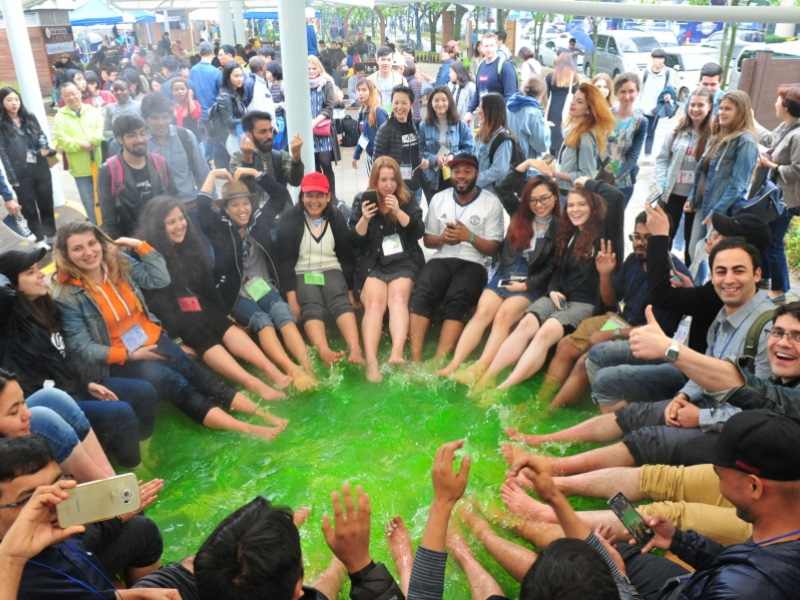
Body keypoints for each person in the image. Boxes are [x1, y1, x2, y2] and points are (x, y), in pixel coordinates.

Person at [503, 237, 775, 474]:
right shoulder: (723, 313)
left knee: (646, 436)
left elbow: (763, 410)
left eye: (738, 270)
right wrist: (683, 396)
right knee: (630, 411)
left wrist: (701, 417)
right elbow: (706, 371)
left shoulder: (770, 328)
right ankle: (540, 438)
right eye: (721, 271)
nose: (729, 279)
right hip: (700, 394)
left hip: (732, 426)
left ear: (757, 274)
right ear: (712, 276)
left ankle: (553, 466)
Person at [53, 220, 285, 439]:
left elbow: (159, 279)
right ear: (66, 255)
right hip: (121, 359)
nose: (88, 252)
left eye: (92, 243)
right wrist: (130, 355)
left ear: (101, 242)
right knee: (177, 385)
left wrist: (139, 245)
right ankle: (247, 428)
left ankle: (263, 414)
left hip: (152, 338)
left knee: (198, 374)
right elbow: (82, 347)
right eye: (78, 248)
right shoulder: (67, 295)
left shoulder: (116, 261)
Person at [0, 248, 157, 469]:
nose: (41, 275)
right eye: (30, 272)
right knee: (121, 414)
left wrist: (88, 382)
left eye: (38, 269)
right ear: (13, 285)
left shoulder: (46, 307)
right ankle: (134, 471)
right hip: (51, 403)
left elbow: (68, 355)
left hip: (76, 385)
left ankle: (143, 451)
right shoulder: (10, 322)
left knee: (145, 392)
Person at [137, 195, 302, 399]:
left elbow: (205, 284)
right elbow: (154, 305)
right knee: (198, 331)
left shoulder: (188, 244)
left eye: (181, 218)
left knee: (220, 322)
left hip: (190, 303)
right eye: (171, 222)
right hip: (170, 317)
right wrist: (175, 341)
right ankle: (254, 384)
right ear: (157, 227)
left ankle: (273, 371)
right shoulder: (146, 254)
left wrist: (226, 314)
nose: (179, 226)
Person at [534, 211, 691, 408]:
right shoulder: (634, 260)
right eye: (636, 236)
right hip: (619, 320)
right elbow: (610, 300)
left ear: (664, 240)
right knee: (566, 345)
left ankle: (549, 411)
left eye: (647, 238)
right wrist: (605, 274)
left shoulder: (676, 275)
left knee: (585, 361)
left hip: (647, 338)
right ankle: (540, 401)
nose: (639, 243)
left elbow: (657, 331)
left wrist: (611, 334)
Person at [0, 436, 172, 599]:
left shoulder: (52, 533)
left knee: (141, 528)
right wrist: (11, 559)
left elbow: (77, 540)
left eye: (59, 484)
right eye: (31, 500)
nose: (57, 503)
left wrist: (132, 595)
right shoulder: (22, 583)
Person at [473, 187, 606, 392]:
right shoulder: (568, 233)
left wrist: (584, 181)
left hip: (584, 302)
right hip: (558, 295)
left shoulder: (604, 237)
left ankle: (502, 389)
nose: (575, 209)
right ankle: (488, 377)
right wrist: (553, 290)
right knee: (526, 323)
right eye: (571, 205)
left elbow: (615, 197)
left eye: (582, 204)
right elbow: (556, 270)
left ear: (594, 207)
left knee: (546, 332)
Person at [195, 171, 316, 386]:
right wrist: (212, 174)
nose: (242, 209)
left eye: (246, 203)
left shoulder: (259, 220)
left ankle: (309, 368)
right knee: (263, 321)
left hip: (262, 284)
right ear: (225, 208)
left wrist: (255, 173)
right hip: (235, 292)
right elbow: (202, 208)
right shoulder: (219, 228)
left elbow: (279, 195)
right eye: (234, 205)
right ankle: (292, 370)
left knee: (283, 312)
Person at [438, 175, 560, 380]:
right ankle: (454, 363)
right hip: (508, 271)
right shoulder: (519, 214)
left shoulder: (561, 228)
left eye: (544, 199)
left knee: (504, 315)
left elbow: (552, 268)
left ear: (555, 197)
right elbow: (503, 186)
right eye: (533, 200)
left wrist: (526, 285)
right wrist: (527, 162)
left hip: (532, 278)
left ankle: (481, 366)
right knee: (483, 312)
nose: (538, 205)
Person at [408, 154, 504, 362]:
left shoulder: (491, 203)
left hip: (474, 263)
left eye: (467, 172)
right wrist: (442, 239)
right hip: (442, 257)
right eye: (457, 171)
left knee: (458, 296)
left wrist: (469, 237)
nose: (461, 176)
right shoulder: (439, 199)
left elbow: (494, 248)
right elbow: (428, 240)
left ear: (477, 174)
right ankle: (414, 359)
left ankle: (438, 361)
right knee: (423, 290)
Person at [274, 172, 364, 366]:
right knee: (310, 302)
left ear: (328, 197)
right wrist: (291, 298)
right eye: (309, 195)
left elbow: (346, 257)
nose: (314, 201)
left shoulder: (336, 218)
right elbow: (285, 262)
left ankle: (355, 347)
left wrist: (350, 289)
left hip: (331, 267)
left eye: (319, 195)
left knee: (339, 298)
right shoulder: (289, 219)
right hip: (302, 272)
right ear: (302, 196)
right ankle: (323, 349)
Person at [348, 157, 425, 382]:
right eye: (383, 180)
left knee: (398, 299)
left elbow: (418, 232)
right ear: (375, 180)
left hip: (404, 260)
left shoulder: (407, 199)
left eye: (393, 179)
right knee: (374, 303)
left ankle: (397, 352)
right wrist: (364, 219)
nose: (388, 185)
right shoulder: (362, 200)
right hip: (372, 261)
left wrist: (399, 212)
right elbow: (354, 241)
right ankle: (371, 361)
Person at [687, 91, 758, 268]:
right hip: (703, 205)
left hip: (722, 212)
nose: (721, 112)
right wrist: (691, 197)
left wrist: (716, 212)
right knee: (695, 253)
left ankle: (705, 286)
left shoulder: (745, 141)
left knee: (711, 259)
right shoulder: (721, 134)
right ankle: (697, 285)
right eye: (721, 108)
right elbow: (704, 172)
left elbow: (738, 184)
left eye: (728, 109)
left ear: (741, 112)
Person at [656, 87, 715, 266]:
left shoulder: (715, 136)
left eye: (700, 105)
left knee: (692, 243)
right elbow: (662, 159)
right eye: (692, 104)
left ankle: (690, 277)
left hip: (697, 200)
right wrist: (662, 182)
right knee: (664, 238)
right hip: (671, 194)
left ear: (710, 107)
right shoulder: (677, 131)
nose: (695, 109)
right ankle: (662, 273)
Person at [754, 84, 800, 304]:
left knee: (774, 242)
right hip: (775, 196)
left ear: (788, 106)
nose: (775, 103)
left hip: (786, 199)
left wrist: (771, 165)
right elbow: (769, 140)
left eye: (779, 99)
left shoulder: (798, 135)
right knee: (766, 237)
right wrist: (750, 120)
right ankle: (764, 277)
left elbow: (797, 171)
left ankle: (780, 290)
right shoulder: (786, 127)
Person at [98, 114, 178, 238]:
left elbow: (174, 198)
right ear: (120, 139)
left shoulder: (160, 163)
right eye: (132, 135)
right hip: (131, 241)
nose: (140, 139)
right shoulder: (108, 170)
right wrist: (121, 245)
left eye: (143, 133)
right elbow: (109, 218)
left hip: (163, 236)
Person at [534, 83, 616, 196]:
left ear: (589, 110)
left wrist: (553, 173)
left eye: (579, 102)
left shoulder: (585, 136)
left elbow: (586, 175)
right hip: (565, 190)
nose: (572, 103)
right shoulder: (574, 130)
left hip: (572, 193)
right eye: (574, 98)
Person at [0, 87, 57, 249]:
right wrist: (12, 178)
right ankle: (38, 239)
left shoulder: (29, 117)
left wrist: (44, 146)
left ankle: (50, 234)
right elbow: (3, 154)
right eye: (9, 100)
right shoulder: (2, 125)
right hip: (21, 173)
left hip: (40, 166)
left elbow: (41, 134)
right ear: (2, 103)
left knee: (46, 202)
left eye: (16, 99)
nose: (14, 103)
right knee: (29, 208)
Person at [229, 110, 304, 220]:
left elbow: (296, 181)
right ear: (249, 135)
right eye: (262, 132)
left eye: (270, 130)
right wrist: (247, 159)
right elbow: (243, 190)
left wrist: (296, 158)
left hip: (283, 218)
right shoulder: (238, 157)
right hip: (255, 220)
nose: (269, 136)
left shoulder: (281, 156)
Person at [141, 93, 208, 207]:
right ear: (146, 119)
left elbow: (203, 173)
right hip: (155, 210)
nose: (161, 123)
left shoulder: (186, 136)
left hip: (189, 206)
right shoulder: (140, 143)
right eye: (155, 118)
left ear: (171, 116)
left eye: (165, 117)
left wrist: (213, 201)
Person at [53, 82, 104, 224]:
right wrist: (81, 144)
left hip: (99, 165)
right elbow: (62, 141)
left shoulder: (92, 111)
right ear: (63, 98)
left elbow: (100, 132)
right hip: (80, 169)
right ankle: (97, 230)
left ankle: (110, 229)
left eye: (73, 93)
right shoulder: (60, 117)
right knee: (89, 202)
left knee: (105, 199)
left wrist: (90, 141)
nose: (71, 97)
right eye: (67, 95)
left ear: (80, 93)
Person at [373, 85, 429, 199]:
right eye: (396, 102)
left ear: (411, 104)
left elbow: (421, 149)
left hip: (416, 185)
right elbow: (377, 162)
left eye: (404, 103)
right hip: (395, 187)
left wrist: (423, 159)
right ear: (391, 104)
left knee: (414, 211)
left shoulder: (416, 125)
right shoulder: (385, 130)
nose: (399, 107)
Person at [418, 85, 473, 195]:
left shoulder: (459, 124)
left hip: (455, 174)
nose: (440, 104)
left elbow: (469, 147)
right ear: (431, 102)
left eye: (444, 100)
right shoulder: (424, 125)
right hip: (432, 176)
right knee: (435, 205)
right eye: (436, 100)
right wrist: (434, 159)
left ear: (450, 102)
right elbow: (419, 149)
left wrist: (453, 156)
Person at [605, 72, 648, 207]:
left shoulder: (641, 121)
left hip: (624, 183)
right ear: (616, 93)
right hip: (601, 178)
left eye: (631, 91)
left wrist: (614, 176)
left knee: (616, 217)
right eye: (623, 91)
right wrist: (605, 176)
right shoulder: (606, 115)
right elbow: (597, 146)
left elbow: (633, 157)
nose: (627, 96)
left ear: (637, 92)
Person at [464, 32, 518, 125]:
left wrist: (495, 115)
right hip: (484, 119)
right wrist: (469, 111)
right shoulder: (481, 66)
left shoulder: (505, 67)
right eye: (486, 46)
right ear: (481, 47)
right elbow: (478, 91)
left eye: (492, 45)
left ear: (497, 46)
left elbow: (510, 96)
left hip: (500, 121)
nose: (489, 49)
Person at [307, 55, 341, 201]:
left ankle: (332, 197)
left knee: (325, 163)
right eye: (308, 69)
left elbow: (329, 107)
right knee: (313, 167)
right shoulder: (301, 85)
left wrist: (315, 121)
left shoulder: (326, 83)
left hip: (324, 130)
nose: (311, 71)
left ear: (319, 68)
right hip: (308, 133)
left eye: (314, 68)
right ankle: (318, 195)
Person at [189, 41, 222, 163]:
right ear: (213, 52)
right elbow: (221, 93)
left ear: (199, 53)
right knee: (215, 138)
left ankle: (206, 161)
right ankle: (206, 161)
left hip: (198, 110)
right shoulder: (216, 72)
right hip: (213, 110)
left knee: (210, 136)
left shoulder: (193, 70)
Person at [638, 48, 675, 157]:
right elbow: (638, 91)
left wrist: (668, 95)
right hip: (642, 109)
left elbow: (670, 88)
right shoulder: (644, 73)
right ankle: (635, 155)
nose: (660, 61)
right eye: (658, 58)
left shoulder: (667, 73)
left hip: (656, 109)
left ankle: (647, 156)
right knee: (638, 133)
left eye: (662, 59)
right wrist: (636, 107)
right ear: (652, 59)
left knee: (651, 133)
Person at [506, 74, 550, 160]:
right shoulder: (534, 113)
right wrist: (546, 128)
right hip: (525, 161)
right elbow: (541, 146)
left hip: (507, 156)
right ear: (542, 93)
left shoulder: (509, 105)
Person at [351, 79, 388, 176]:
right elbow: (363, 136)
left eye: (364, 90)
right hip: (369, 156)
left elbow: (386, 138)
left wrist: (381, 160)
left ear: (371, 92)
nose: (360, 93)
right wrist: (356, 155)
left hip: (381, 158)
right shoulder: (361, 111)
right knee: (372, 184)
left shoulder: (378, 111)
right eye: (358, 90)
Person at [545, 52, 579, 155]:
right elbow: (577, 95)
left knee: (552, 133)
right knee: (565, 132)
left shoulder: (551, 76)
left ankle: (552, 157)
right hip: (568, 109)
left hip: (553, 108)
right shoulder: (574, 76)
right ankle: (562, 156)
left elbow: (545, 95)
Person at [216, 61, 247, 159]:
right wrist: (249, 119)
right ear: (228, 77)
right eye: (236, 76)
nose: (240, 79)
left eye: (241, 75)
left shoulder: (235, 92)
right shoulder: (225, 96)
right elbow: (228, 121)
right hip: (234, 139)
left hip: (240, 136)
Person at [447, 60, 475, 125]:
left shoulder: (470, 86)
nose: (449, 74)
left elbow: (476, 104)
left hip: (465, 123)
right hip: (451, 121)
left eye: (451, 72)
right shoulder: (450, 85)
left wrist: (469, 116)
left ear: (458, 72)